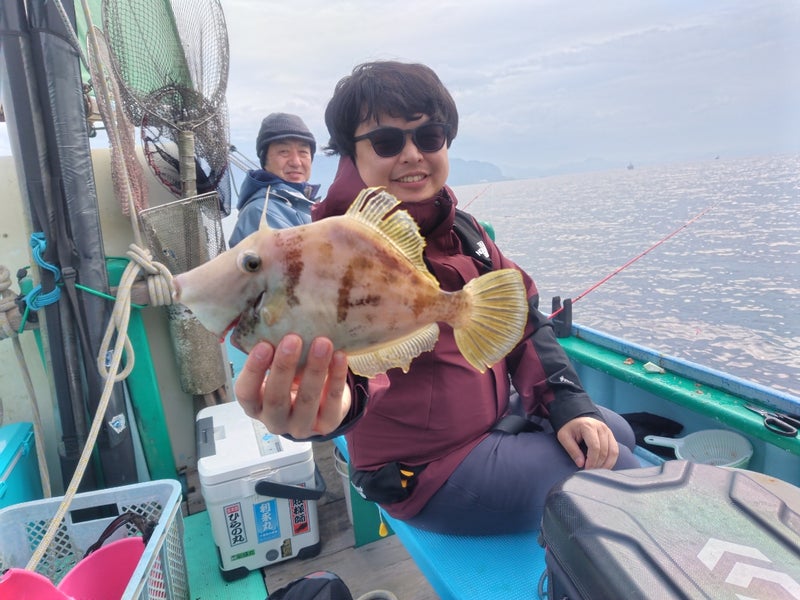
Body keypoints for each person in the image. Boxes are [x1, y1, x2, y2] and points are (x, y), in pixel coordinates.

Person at [234, 61, 641, 535]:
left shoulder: (463, 231)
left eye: (429, 136)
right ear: (350, 154)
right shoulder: (330, 255)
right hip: (426, 470)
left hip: (490, 419)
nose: (412, 155)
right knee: (621, 473)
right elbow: (354, 370)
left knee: (614, 433)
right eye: (387, 142)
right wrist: (334, 405)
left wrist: (566, 404)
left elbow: (522, 319)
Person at [228, 112, 320, 247]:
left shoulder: (298, 202)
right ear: (264, 160)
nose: (296, 162)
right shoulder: (261, 213)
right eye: (284, 151)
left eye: (303, 152)